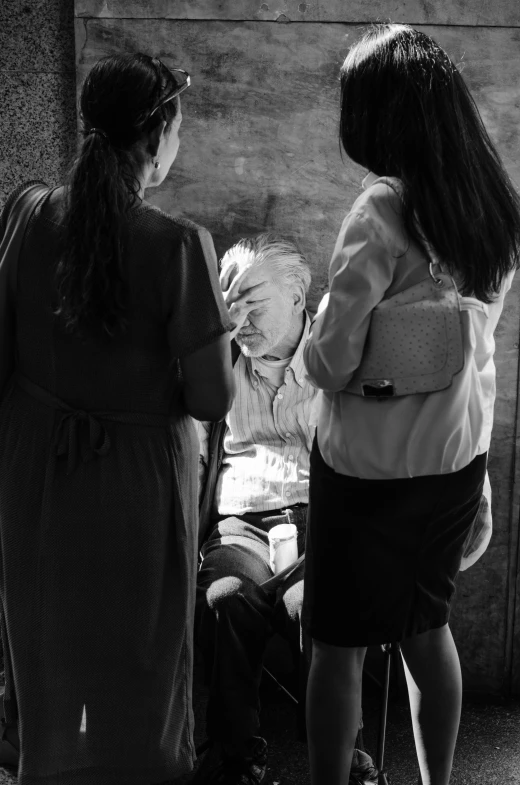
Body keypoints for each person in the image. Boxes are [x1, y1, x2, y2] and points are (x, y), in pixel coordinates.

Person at [0, 53, 235, 784]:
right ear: (157, 135)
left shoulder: (29, 211)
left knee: (48, 641)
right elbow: (211, 398)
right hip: (134, 479)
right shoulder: (178, 246)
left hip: (36, 466)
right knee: (141, 654)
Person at [302, 23, 520, 785]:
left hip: (366, 473)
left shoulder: (379, 212)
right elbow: (479, 353)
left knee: (337, 644)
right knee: (429, 631)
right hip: (454, 464)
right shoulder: (492, 208)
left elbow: (331, 361)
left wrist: (306, 345)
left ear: (379, 115)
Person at [193, 234, 378, 785]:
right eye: (232, 302)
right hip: (239, 526)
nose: (240, 317)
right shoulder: (218, 358)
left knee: (319, 605)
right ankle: (237, 754)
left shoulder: (335, 353)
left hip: (317, 523)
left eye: (254, 300)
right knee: (227, 597)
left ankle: (340, 746)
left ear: (298, 296)